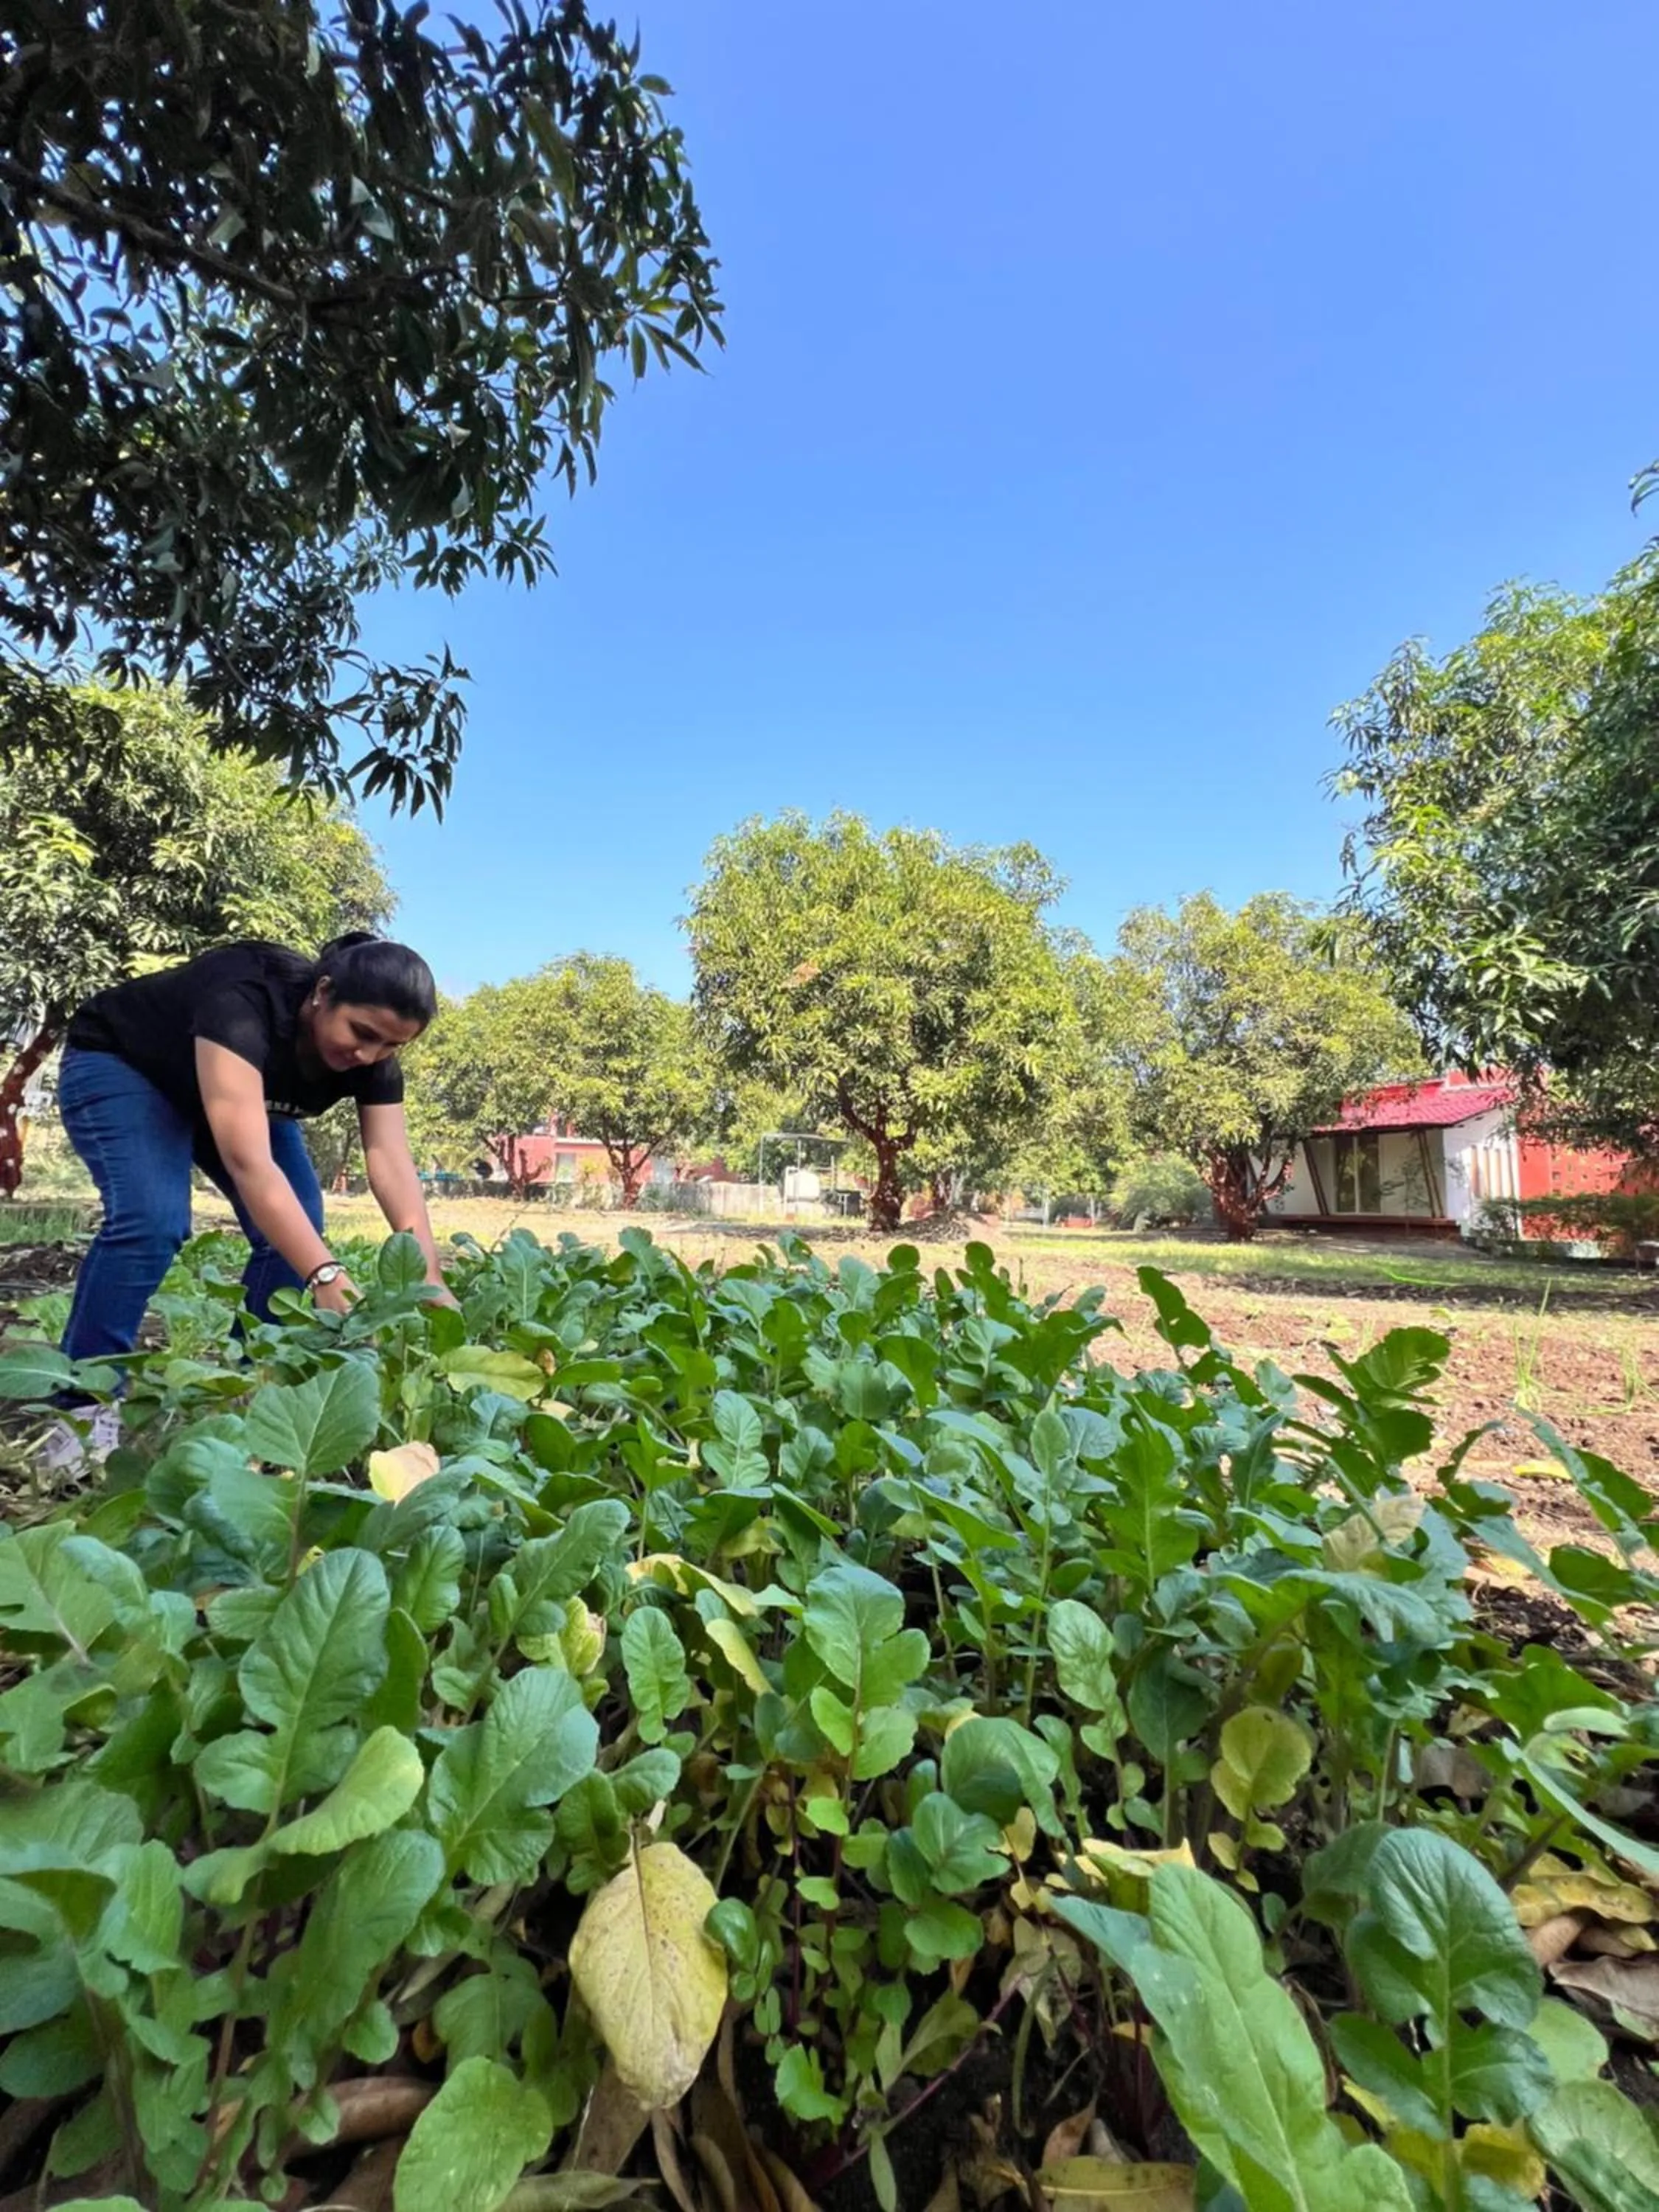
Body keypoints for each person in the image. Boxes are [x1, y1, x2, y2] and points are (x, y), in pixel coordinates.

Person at [42, 932, 448, 1464]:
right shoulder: (243, 1000)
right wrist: (327, 1275)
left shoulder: (372, 1060)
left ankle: (246, 1391)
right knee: (151, 1218)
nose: (368, 1055)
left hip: (239, 1096)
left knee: (294, 1232)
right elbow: (249, 1163)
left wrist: (430, 1276)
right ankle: (83, 1411)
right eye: (362, 1033)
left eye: (391, 1046)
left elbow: (391, 1161)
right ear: (323, 992)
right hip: (128, 1067)